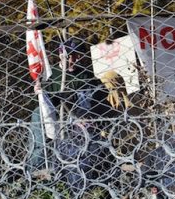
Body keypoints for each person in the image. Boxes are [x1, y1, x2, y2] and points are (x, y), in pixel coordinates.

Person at [28, 38, 112, 171]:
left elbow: (101, 92)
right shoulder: (50, 75)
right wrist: (38, 92)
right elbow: (42, 102)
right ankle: (33, 168)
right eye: (72, 55)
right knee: (38, 116)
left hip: (80, 118)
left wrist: (89, 112)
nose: (77, 58)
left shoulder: (85, 75)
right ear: (62, 56)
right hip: (55, 116)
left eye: (79, 55)